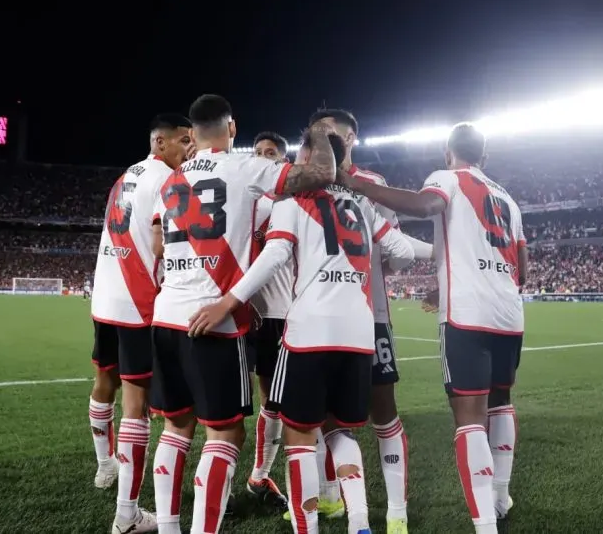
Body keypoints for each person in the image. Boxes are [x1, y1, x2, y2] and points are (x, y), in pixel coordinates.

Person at [202, 132, 416, 534]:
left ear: (312, 159)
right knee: (342, 429)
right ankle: (358, 523)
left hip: (309, 330)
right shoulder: (364, 205)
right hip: (358, 334)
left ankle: (307, 528)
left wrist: (230, 300)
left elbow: (276, 253)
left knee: (301, 436)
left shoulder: (294, 201)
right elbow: (401, 252)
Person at [147, 94, 337, 534]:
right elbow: (322, 174)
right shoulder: (249, 168)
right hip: (214, 320)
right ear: (232, 129)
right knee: (224, 437)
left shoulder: (171, 180)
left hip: (166, 316)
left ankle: (170, 526)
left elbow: (157, 246)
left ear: (190, 134)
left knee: (175, 431)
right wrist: (323, 133)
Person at [339, 122, 527, 534]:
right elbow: (522, 270)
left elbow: (425, 207)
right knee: (502, 401)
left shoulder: (447, 178)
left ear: (448, 153)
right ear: (485, 157)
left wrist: (361, 187)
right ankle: (501, 495)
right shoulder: (508, 199)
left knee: (469, 416)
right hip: (510, 313)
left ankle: (484, 524)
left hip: (467, 313)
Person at [307, 109, 432, 534]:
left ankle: (396, 511)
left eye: (335, 133)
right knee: (324, 417)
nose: (329, 140)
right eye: (321, 134)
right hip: (321, 318)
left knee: (383, 413)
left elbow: (397, 252)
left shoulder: (372, 186)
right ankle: (334, 500)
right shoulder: (305, 181)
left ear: (352, 137)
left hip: (370, 316)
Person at [90, 113, 194, 534]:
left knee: (104, 381)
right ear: (160, 142)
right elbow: (162, 244)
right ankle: (127, 515)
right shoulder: (166, 181)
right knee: (137, 406)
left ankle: (104, 467)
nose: (189, 148)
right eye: (183, 141)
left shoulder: (124, 176)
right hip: (137, 302)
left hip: (105, 298)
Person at [244, 131, 293, 511]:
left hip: (290, 314)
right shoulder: (247, 202)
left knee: (281, 403)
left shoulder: (293, 201)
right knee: (266, 403)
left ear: (284, 162)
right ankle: (258, 475)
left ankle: (261, 474)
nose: (263, 158)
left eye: (271, 153)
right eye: (258, 153)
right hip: (257, 316)